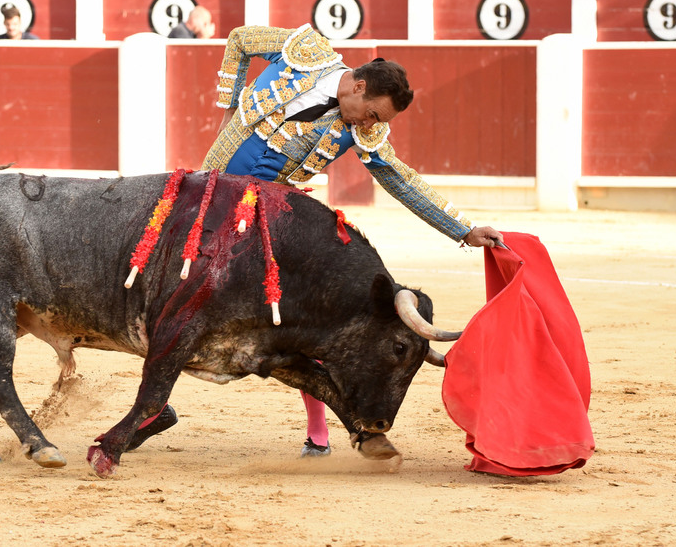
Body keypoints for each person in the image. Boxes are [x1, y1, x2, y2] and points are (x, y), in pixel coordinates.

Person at [197, 24, 504, 458]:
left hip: (272, 218)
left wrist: (463, 229)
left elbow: (400, 178)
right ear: (357, 86)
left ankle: (319, 432)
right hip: (210, 196)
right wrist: (226, 109)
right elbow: (240, 39)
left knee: (307, 316)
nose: (370, 123)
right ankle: (156, 408)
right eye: (373, 113)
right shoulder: (304, 51)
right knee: (172, 290)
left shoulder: (363, 131)